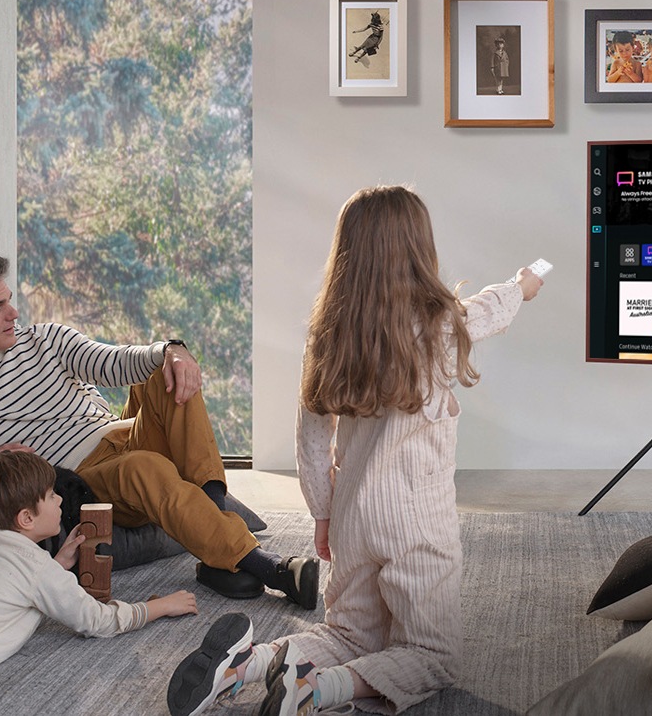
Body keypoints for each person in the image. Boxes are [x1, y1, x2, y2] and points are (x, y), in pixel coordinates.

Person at [166, 185, 545, 716]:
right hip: (417, 522)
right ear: (418, 250)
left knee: (348, 634)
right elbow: (490, 309)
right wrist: (524, 283)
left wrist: (323, 515)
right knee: (433, 656)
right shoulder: (438, 324)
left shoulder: (326, 337)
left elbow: (312, 441)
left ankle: (247, 665)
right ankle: (317, 691)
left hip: (352, 516)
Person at [0, 254, 318, 607]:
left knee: (163, 373)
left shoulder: (45, 339)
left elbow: (118, 362)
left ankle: (216, 528)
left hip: (123, 431)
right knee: (146, 468)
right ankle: (271, 569)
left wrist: (173, 350)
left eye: (9, 300)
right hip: (83, 474)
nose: (13, 313)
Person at [0, 450, 197, 674]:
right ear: (26, 518)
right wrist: (158, 606)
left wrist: (57, 564)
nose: (61, 499)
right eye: (52, 495)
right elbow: (97, 620)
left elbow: (1, 583)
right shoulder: (37, 569)